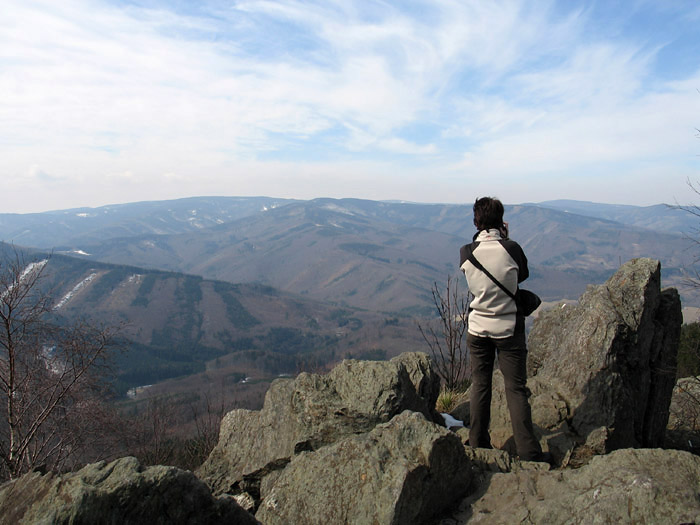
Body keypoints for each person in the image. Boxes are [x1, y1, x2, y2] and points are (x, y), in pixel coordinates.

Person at [459, 196, 545, 462]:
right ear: (501, 221)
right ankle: (529, 453)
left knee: (480, 386)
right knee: (516, 389)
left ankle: (477, 442)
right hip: (508, 328)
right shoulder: (513, 248)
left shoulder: (466, 252)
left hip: (477, 328)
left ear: (476, 221)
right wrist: (506, 238)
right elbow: (523, 275)